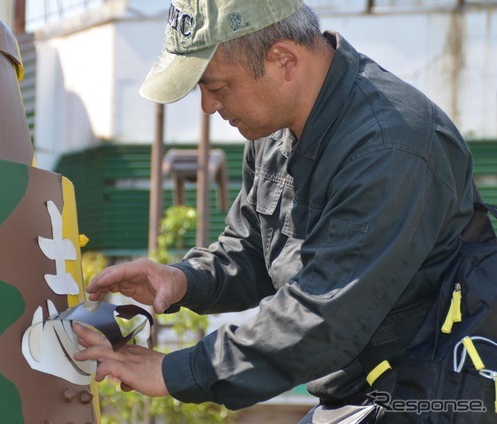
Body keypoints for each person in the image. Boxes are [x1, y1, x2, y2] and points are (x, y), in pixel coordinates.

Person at [73, 0, 475, 421]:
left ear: (283, 59)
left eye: (218, 86)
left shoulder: (390, 144)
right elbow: (253, 251)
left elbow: (323, 315)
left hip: (423, 398)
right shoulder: (274, 131)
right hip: (353, 395)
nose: (208, 106)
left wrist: (176, 370)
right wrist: (182, 279)